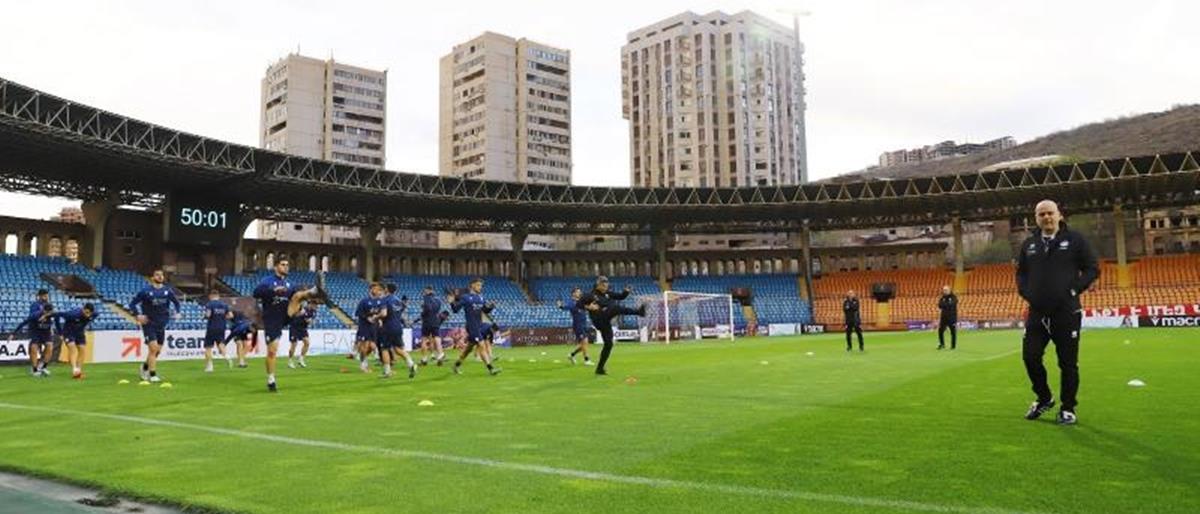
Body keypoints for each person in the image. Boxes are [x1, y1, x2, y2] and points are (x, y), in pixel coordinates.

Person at [1016, 199, 1099, 426]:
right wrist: (1025, 292)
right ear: (1036, 218)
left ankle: (1068, 408)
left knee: (1067, 363)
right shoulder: (1029, 244)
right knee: (1030, 357)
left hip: (1066, 312)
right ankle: (1044, 398)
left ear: (1059, 215)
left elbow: (1092, 268)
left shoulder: (1075, 240)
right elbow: (1021, 273)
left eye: (1050, 213)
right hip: (1037, 312)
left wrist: (1073, 289)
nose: (1046, 217)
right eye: (1041, 214)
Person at [252, 258, 324, 392]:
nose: (286, 267)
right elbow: (255, 293)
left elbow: (297, 298)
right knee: (272, 351)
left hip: (287, 314)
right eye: (283, 265)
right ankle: (271, 379)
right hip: (272, 318)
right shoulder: (267, 281)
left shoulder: (290, 284)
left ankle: (315, 291)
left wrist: (305, 302)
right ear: (275, 267)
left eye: (287, 265)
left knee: (297, 295)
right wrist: (273, 290)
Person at [577, 276, 646, 376]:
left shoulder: (608, 293)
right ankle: (638, 312)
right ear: (598, 285)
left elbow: (621, 297)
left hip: (605, 321)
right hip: (598, 318)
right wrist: (588, 307)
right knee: (615, 308)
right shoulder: (590, 295)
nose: (605, 286)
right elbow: (578, 305)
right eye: (603, 284)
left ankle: (600, 368)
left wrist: (626, 292)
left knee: (609, 344)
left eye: (606, 284)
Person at [128, 270, 181, 383]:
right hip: (149, 324)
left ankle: (144, 367)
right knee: (153, 349)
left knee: (157, 351)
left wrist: (178, 312)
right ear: (152, 277)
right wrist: (137, 315)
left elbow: (177, 303)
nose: (160, 276)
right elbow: (132, 304)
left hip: (161, 325)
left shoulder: (167, 291)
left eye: (161, 275)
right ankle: (152, 375)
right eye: (157, 275)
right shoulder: (145, 291)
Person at [450, 277, 501, 376]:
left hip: (479, 326)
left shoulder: (481, 298)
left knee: (468, 350)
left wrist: (491, 307)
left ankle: (455, 366)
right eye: (478, 285)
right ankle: (491, 369)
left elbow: (485, 311)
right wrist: (451, 302)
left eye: (481, 285)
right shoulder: (465, 297)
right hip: (471, 326)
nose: (480, 287)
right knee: (481, 345)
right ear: (472, 285)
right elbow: (455, 310)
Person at [10, 289, 54, 377]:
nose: (46, 297)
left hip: (46, 331)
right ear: (40, 296)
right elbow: (28, 319)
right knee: (34, 348)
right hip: (35, 330)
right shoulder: (35, 305)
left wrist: (54, 329)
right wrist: (13, 333)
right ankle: (34, 369)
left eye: (47, 295)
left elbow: (55, 318)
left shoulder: (49, 306)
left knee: (49, 347)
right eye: (45, 295)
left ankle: (43, 367)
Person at [378, 284, 416, 379]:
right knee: (397, 349)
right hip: (398, 326)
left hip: (388, 327)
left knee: (384, 349)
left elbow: (384, 313)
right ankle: (411, 364)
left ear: (387, 289)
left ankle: (387, 372)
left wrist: (376, 316)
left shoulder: (385, 300)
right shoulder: (398, 301)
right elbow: (400, 311)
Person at [53, 303, 95, 379]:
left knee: (82, 349)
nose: (88, 315)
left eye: (90, 313)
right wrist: (60, 332)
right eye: (86, 312)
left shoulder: (94, 314)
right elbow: (57, 315)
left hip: (80, 333)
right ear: (83, 309)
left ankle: (79, 370)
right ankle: (74, 370)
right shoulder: (72, 314)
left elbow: (91, 317)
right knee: (73, 349)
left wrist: (85, 325)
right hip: (68, 333)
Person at [354, 283, 385, 373]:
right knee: (365, 345)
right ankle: (363, 365)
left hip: (374, 327)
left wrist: (379, 319)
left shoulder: (379, 301)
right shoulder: (364, 301)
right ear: (371, 290)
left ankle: (363, 359)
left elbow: (380, 312)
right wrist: (367, 318)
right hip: (364, 326)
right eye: (376, 289)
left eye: (378, 289)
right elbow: (358, 313)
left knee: (371, 347)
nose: (378, 291)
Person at [558, 287, 593, 366]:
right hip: (578, 325)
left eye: (580, 292)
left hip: (584, 324)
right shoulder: (572, 302)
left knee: (584, 344)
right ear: (573, 293)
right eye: (577, 292)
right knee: (584, 342)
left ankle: (572, 355)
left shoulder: (581, 301)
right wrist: (560, 306)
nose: (579, 293)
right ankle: (586, 360)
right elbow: (566, 307)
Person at [202, 289, 234, 372]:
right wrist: (222, 317)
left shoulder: (210, 304)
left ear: (211, 296)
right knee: (220, 344)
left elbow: (208, 315)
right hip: (222, 327)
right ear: (218, 296)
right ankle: (227, 357)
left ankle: (210, 366)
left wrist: (204, 316)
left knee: (208, 347)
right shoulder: (224, 305)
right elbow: (231, 315)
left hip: (212, 327)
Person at [417, 286, 448, 366]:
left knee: (424, 339)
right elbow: (437, 309)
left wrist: (423, 314)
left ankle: (424, 359)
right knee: (437, 338)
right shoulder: (438, 300)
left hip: (427, 321)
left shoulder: (426, 298)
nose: (424, 292)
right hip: (435, 321)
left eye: (425, 290)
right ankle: (440, 355)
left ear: (428, 290)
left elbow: (427, 308)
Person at [287, 301, 316, 369]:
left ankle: (301, 359)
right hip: (294, 327)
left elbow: (311, 321)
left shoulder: (313, 312)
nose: (315, 306)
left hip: (303, 328)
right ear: (310, 304)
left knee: (307, 343)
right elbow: (306, 319)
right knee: (294, 345)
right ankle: (290, 361)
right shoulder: (302, 309)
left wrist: (310, 321)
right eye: (314, 305)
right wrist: (308, 320)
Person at [937, 285, 958, 350]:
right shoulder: (942, 297)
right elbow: (939, 305)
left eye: (946, 290)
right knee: (940, 331)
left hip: (951, 318)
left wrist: (945, 304)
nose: (945, 291)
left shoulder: (953, 297)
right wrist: (947, 304)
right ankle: (942, 344)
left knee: (953, 332)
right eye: (944, 290)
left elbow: (952, 304)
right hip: (943, 318)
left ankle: (953, 346)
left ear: (949, 290)